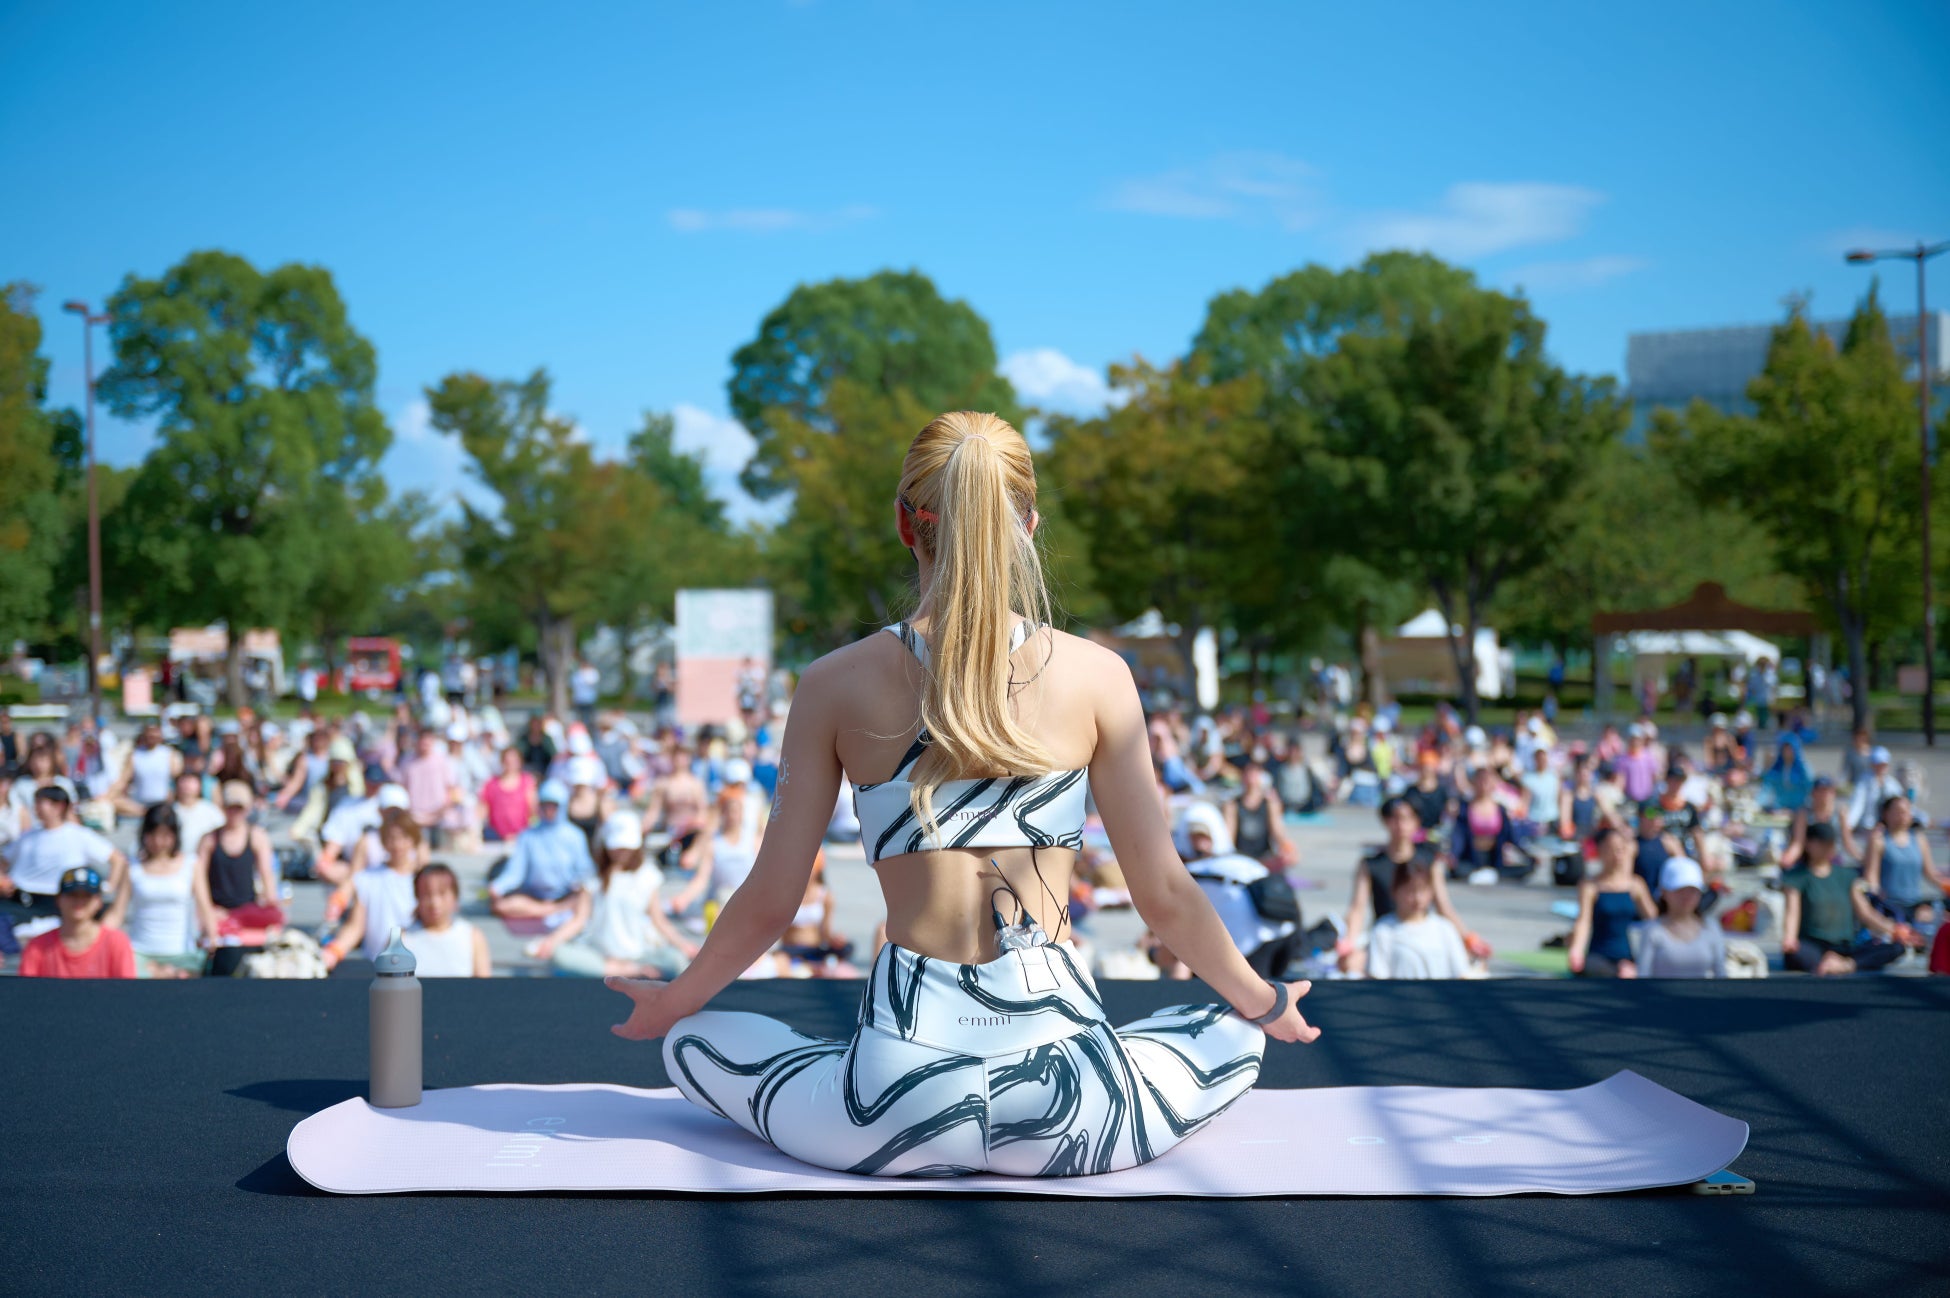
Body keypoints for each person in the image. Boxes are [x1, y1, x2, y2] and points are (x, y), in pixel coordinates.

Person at [605, 411, 1317, 1180]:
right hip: (1074, 1102)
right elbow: (1167, 897)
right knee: (1228, 1031)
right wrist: (1267, 1003)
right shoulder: (1098, 676)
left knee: (699, 1042)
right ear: (1029, 525)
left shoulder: (832, 684)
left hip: (895, 1104)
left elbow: (773, 902)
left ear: (907, 527)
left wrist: (673, 1001)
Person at [541, 811, 697, 978]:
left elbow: (659, 920)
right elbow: (579, 919)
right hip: (599, 953)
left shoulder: (647, 875)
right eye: (617, 846)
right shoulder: (593, 877)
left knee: (677, 960)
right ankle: (625, 971)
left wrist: (684, 945)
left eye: (626, 847)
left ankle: (625, 970)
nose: (621, 851)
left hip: (641, 953)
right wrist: (551, 941)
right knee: (560, 955)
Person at [1340, 796, 1473, 975]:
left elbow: (1444, 906)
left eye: (1407, 818)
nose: (1401, 824)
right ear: (1386, 821)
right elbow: (1357, 908)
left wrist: (1468, 937)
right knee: (1352, 966)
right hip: (1387, 935)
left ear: (1416, 822)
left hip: (1422, 931)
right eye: (1395, 818)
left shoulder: (1429, 861)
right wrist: (1349, 943)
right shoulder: (1371, 864)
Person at [1, 784, 128, 936]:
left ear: (59, 806)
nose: (37, 808)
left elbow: (117, 859)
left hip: (64, 903)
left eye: (42, 802)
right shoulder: (28, 836)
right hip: (21, 900)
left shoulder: (79, 835)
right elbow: (4, 860)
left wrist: (108, 887)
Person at [1782, 823, 1906, 975]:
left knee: (1896, 948)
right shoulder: (1796, 877)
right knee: (1795, 953)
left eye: (1830, 843)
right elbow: (1792, 912)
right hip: (1813, 944)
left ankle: (1845, 965)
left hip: (1845, 947)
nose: (1828, 847)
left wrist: (1894, 929)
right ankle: (1831, 963)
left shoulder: (1846, 875)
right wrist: (1789, 938)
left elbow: (1865, 913)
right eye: (1822, 843)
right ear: (1809, 845)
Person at [105, 804, 204, 977]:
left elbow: (205, 907)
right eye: (153, 835)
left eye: (165, 835)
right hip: (140, 953)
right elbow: (116, 913)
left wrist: (212, 939)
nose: (159, 842)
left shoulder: (192, 865)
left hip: (182, 954)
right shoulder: (132, 867)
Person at [322, 811, 425, 968]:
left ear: (414, 840)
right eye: (391, 838)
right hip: (379, 968)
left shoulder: (424, 879)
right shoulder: (366, 879)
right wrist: (333, 952)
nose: (397, 845)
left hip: (420, 968)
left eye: (404, 838)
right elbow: (355, 926)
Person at [487, 779, 595, 922]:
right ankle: (550, 911)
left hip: (566, 895)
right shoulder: (527, 836)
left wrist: (577, 883)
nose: (549, 810)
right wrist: (498, 886)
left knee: (585, 899)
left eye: (554, 806)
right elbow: (515, 872)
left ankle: (554, 909)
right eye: (545, 805)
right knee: (502, 905)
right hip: (534, 897)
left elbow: (585, 869)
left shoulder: (575, 835)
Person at [193, 781, 282, 943]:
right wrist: (206, 910)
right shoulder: (209, 840)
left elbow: (267, 875)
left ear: (247, 809)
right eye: (230, 807)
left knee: (274, 923)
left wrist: (271, 903)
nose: (234, 813)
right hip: (217, 910)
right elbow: (198, 880)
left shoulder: (257, 837)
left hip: (247, 910)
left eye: (239, 808)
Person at [1568, 826, 1657, 978]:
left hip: (1628, 956)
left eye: (1621, 849)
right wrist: (1576, 949)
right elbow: (1583, 921)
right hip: (1599, 956)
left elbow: (1653, 921)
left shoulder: (1635, 885)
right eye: (1612, 849)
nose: (1617, 855)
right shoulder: (1590, 886)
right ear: (1601, 851)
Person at [19, 866, 136, 978]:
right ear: (59, 899)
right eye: (72, 895)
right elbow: (26, 992)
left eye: (86, 896)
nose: (79, 901)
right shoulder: (37, 947)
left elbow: (126, 991)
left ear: (99, 902)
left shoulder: (117, 943)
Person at [1367, 861, 1471, 979]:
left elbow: (1461, 974)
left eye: (1422, 890)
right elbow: (1378, 976)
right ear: (1394, 891)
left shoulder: (1444, 928)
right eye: (1410, 891)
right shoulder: (1383, 930)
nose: (1417, 899)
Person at [1861, 794, 1946, 928]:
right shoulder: (1879, 840)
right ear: (1886, 814)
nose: (1903, 815)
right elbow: (1871, 875)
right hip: (1890, 905)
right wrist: (1874, 897)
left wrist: (1946, 885)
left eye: (1906, 811)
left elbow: (1931, 874)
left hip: (1915, 904)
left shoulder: (1919, 839)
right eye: (1898, 811)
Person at [1637, 857, 1725, 978]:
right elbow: (1643, 976)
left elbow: (1721, 973)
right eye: (1679, 890)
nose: (1687, 896)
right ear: (1664, 892)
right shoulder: (1652, 931)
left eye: (1693, 890)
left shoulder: (1711, 927)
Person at [400, 863, 491, 977]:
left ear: (455, 897)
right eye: (427, 894)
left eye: (442, 894)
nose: (434, 903)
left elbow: (484, 987)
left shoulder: (473, 937)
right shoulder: (401, 941)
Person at [1224, 760, 1297, 866]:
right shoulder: (1232, 805)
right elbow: (1228, 838)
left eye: (1255, 771)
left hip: (1264, 858)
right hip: (1240, 859)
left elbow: (1278, 832)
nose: (1251, 775)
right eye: (1248, 771)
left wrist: (1287, 848)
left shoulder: (1270, 804)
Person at [1782, 776, 1860, 868]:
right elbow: (1798, 844)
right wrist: (1786, 859)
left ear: (1833, 793)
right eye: (1820, 791)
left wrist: (1861, 859)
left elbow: (1848, 842)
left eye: (1828, 791)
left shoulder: (1840, 814)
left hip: (1833, 859)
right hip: (1809, 858)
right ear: (1813, 793)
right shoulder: (1804, 814)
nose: (1824, 795)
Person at [110, 723, 181, 819]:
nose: (152, 736)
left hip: (162, 805)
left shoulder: (169, 754)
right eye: (150, 733)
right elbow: (123, 780)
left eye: (155, 733)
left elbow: (177, 778)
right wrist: (107, 795)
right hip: (140, 805)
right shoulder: (135, 755)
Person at [480, 743, 538, 843]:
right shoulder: (491, 784)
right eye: (507, 761)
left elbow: (534, 810)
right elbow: (483, 811)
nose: (510, 764)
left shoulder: (527, 782)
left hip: (522, 837)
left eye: (514, 761)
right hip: (496, 838)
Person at [1846, 747, 1904, 836]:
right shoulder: (1863, 782)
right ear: (1872, 764)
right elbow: (1857, 805)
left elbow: (1901, 806)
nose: (1880, 767)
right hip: (1867, 829)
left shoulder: (1893, 785)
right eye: (1877, 764)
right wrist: (1849, 825)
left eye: (1883, 764)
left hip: (1888, 829)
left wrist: (1923, 819)